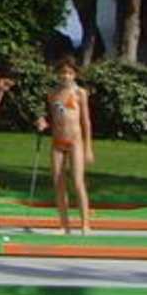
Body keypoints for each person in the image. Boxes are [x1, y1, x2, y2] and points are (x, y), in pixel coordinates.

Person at [40, 54, 96, 234]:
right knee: (58, 183)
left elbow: (86, 121)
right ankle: (64, 224)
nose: (66, 76)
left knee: (78, 181)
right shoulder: (52, 94)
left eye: (69, 73)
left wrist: (88, 148)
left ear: (75, 74)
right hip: (57, 142)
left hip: (75, 142)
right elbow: (53, 117)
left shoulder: (79, 93)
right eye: (63, 73)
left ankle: (85, 224)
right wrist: (43, 122)